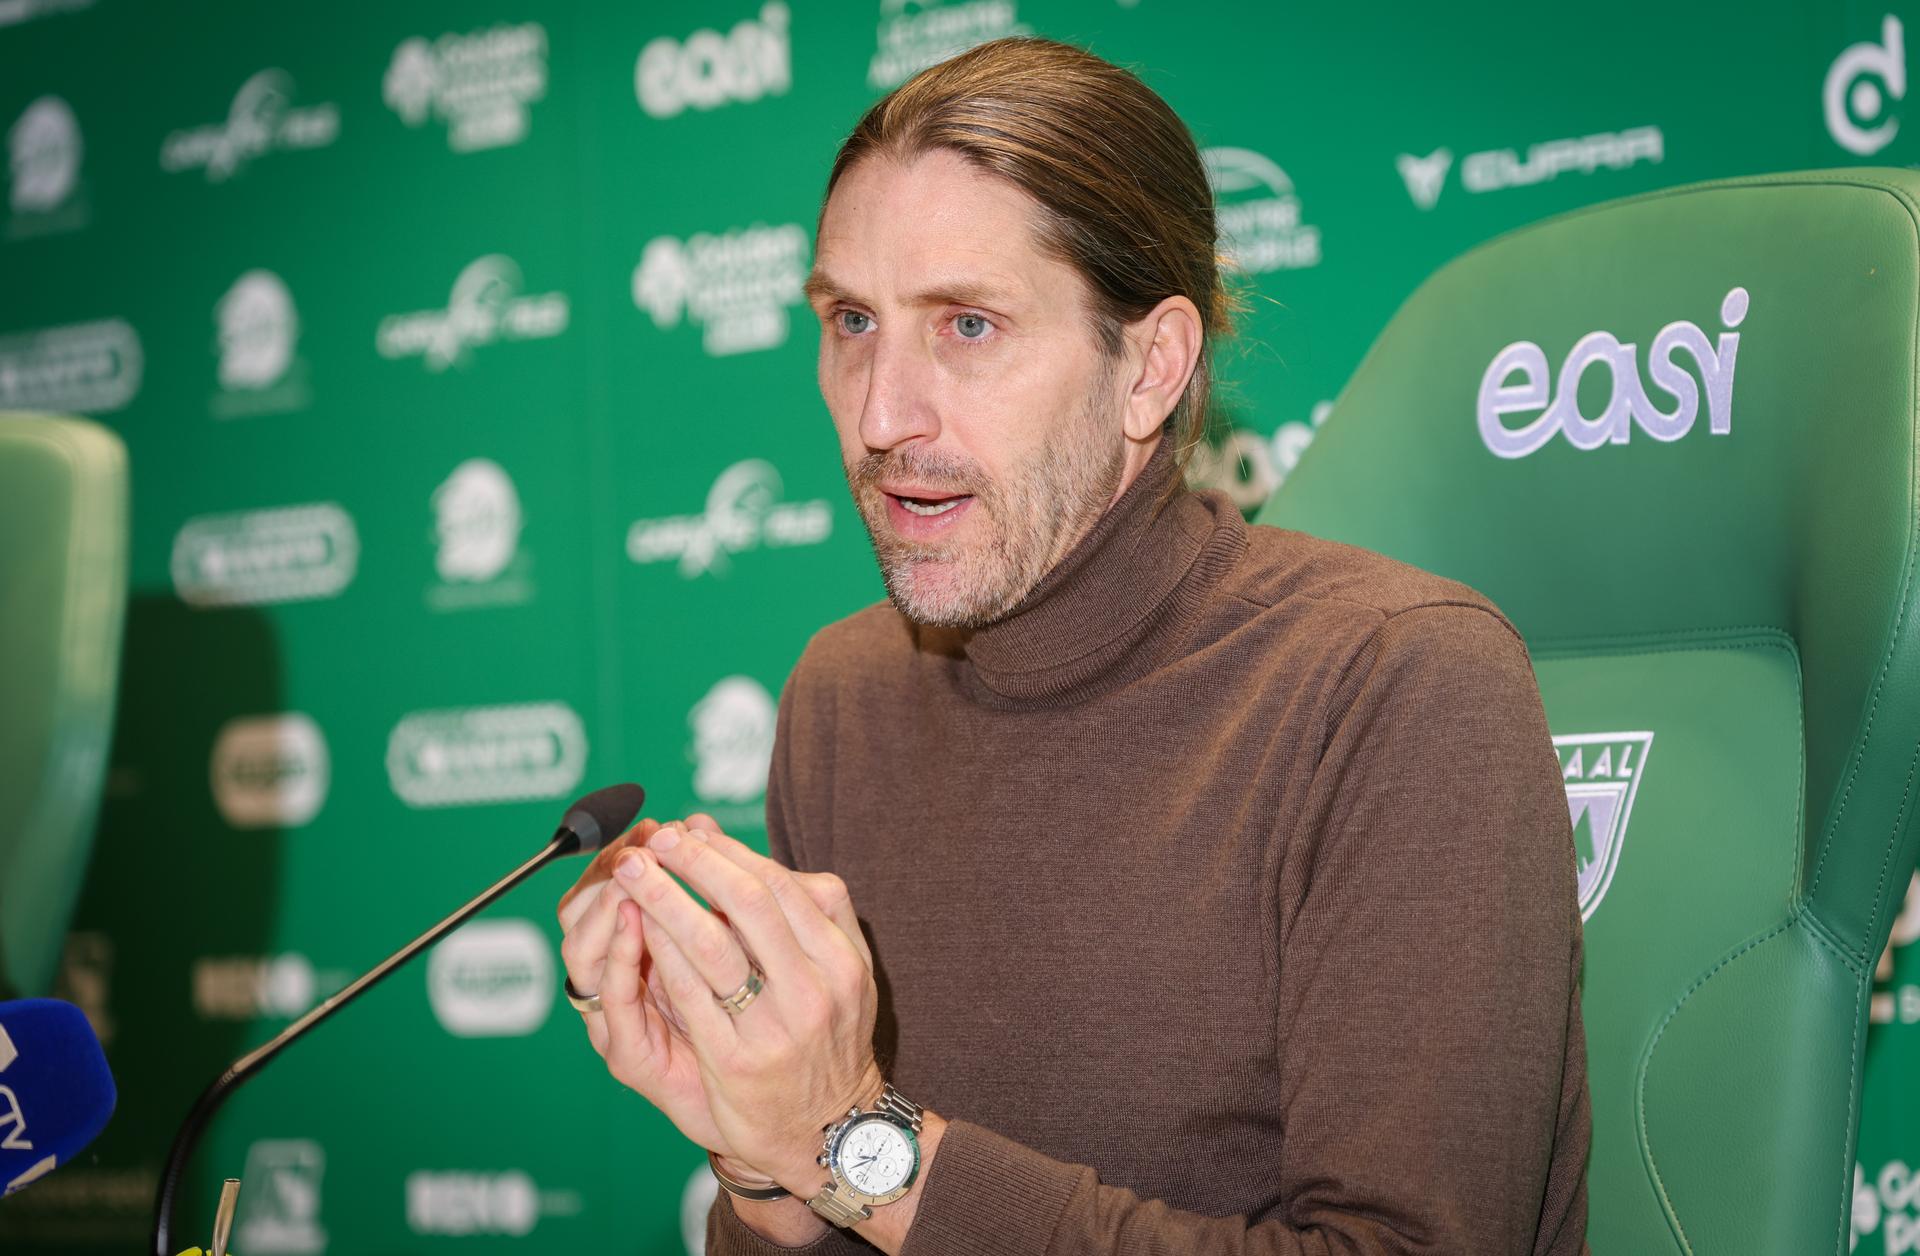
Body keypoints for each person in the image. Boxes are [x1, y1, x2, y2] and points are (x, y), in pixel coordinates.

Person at [556, 36, 1590, 1255]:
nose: (882, 416)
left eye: (971, 325)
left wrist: (851, 1139)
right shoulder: (842, 695)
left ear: (1149, 368)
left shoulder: (1399, 681)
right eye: (850, 321)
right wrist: (766, 1162)